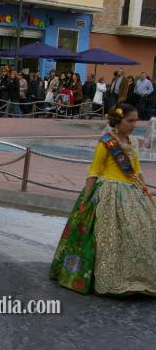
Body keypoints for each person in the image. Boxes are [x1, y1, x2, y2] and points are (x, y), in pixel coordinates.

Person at [50, 104, 156, 295]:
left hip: (131, 192)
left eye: (136, 120)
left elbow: (136, 169)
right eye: (130, 121)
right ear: (118, 121)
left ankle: (134, 274)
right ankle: (99, 276)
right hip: (107, 192)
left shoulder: (133, 142)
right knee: (104, 236)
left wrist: (144, 189)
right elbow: (94, 171)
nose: (134, 124)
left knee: (138, 232)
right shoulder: (106, 142)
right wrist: (86, 199)